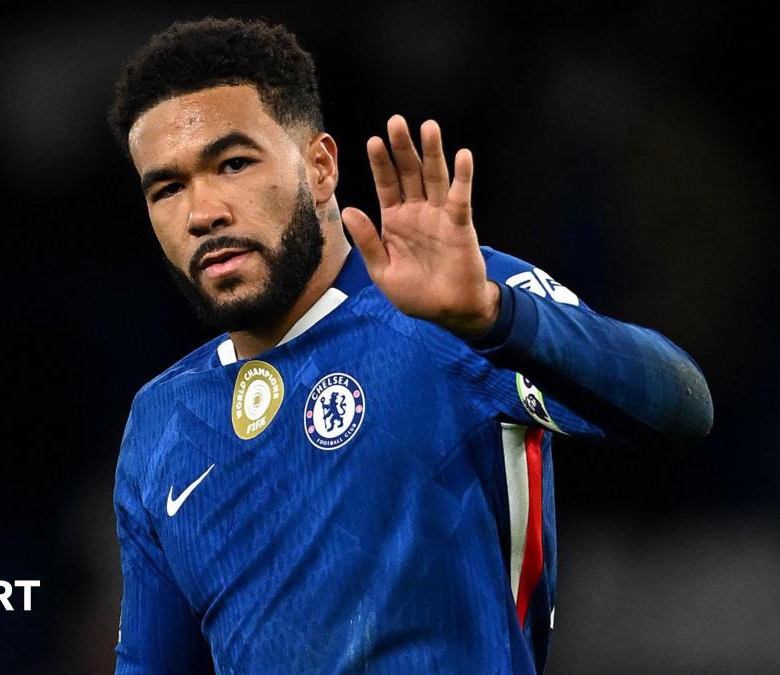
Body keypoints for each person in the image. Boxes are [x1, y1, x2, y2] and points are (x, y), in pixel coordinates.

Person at [106, 17, 712, 675]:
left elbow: (682, 405)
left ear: (319, 167)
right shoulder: (160, 422)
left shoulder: (454, 305)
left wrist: (495, 316)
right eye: (167, 188)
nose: (203, 212)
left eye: (233, 163)